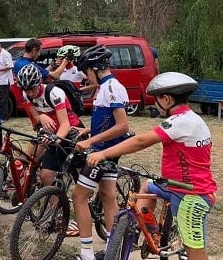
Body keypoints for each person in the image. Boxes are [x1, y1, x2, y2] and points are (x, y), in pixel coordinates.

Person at [88, 72, 217, 260]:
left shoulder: (181, 122)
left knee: (195, 253)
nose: (154, 104)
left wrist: (103, 153)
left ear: (166, 99)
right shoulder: (191, 118)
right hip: (176, 186)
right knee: (147, 186)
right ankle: (154, 233)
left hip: (192, 196)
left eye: (156, 99)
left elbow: (141, 141)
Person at [68, 45, 131, 259]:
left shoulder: (111, 87)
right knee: (107, 196)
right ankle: (112, 250)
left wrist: (90, 141)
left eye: (87, 73)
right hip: (107, 149)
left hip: (104, 151)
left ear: (95, 68)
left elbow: (123, 126)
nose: (86, 78)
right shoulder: (105, 87)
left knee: (79, 196)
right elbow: (108, 121)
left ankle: (86, 253)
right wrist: (86, 130)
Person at [16, 64, 87, 188]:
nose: (31, 93)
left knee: (82, 177)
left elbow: (65, 123)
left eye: (33, 88)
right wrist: (41, 117)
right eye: (27, 89)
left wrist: (56, 139)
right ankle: (55, 205)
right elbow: (36, 118)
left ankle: (89, 200)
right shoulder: (26, 94)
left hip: (72, 130)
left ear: (39, 83)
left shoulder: (54, 93)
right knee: (46, 175)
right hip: (52, 132)